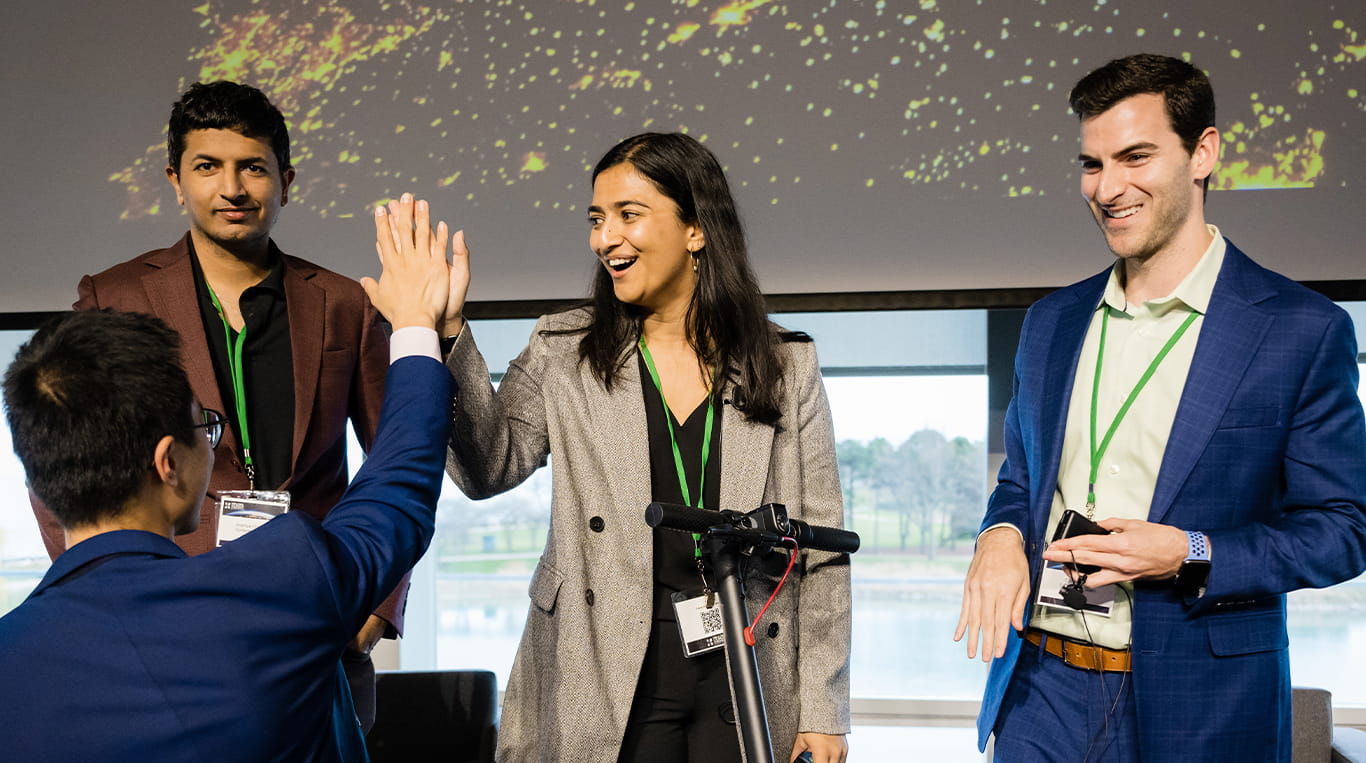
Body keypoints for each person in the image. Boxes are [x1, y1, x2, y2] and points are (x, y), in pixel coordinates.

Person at [954, 53, 1366, 761]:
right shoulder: (1051, 323)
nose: (1108, 187)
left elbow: (1343, 529)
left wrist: (1191, 553)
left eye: (1135, 156)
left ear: (1203, 152)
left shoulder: (1301, 328)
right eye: (1092, 163)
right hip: (1039, 692)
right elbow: (1021, 484)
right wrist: (996, 536)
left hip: (1199, 704)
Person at [433, 132, 850, 762]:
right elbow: (488, 466)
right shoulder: (564, 348)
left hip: (746, 660)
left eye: (629, 215)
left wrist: (825, 708)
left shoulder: (785, 363)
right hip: (604, 660)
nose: (606, 239)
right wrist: (447, 335)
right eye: (597, 220)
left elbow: (821, 545)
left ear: (696, 230)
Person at [0, 197, 457, 760]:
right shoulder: (282, 585)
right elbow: (397, 490)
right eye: (203, 425)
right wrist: (415, 328)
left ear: (38, 486)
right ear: (168, 463)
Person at [28, 80, 399, 729]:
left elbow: (394, 455)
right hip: (164, 628)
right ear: (176, 180)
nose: (231, 188)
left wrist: (376, 609)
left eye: (252, 167)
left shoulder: (343, 303)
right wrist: (100, 596)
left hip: (316, 631)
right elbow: (57, 459)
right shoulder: (114, 296)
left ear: (286, 180)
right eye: (208, 167)